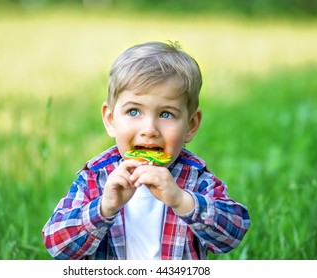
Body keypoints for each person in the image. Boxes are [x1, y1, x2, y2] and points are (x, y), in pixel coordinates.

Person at [42, 41, 250, 260]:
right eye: (133, 112)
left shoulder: (196, 179)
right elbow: (56, 245)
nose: (149, 130)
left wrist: (182, 200)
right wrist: (103, 208)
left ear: (190, 125)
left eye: (166, 114)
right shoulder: (96, 178)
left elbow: (234, 233)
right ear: (111, 119)